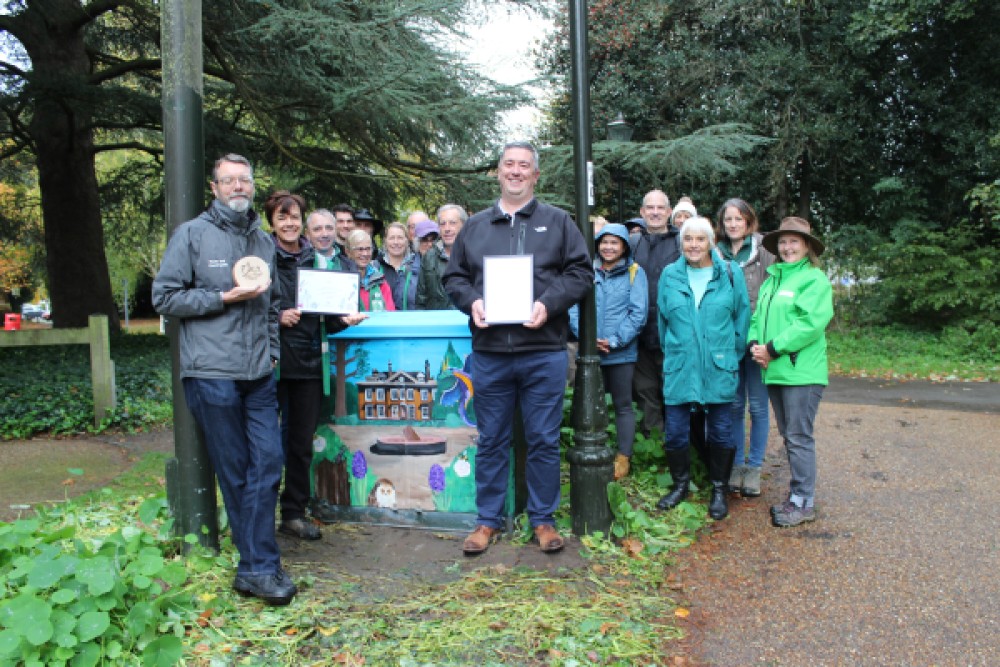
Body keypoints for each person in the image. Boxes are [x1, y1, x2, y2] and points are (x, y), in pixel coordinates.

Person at [152, 154, 295, 605]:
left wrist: (271, 355)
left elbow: (271, 308)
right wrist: (222, 297)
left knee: (269, 464)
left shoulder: (262, 240)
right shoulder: (192, 235)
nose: (238, 187)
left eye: (244, 180)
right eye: (228, 180)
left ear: (253, 186)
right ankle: (258, 568)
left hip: (258, 374)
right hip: (212, 373)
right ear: (213, 188)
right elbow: (165, 297)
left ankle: (255, 566)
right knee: (236, 472)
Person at [443, 141, 593, 555]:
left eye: (523, 165)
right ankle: (487, 521)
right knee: (491, 439)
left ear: (535, 175)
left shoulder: (559, 222)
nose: (515, 171)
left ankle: (543, 519)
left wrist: (549, 304)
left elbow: (580, 273)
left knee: (544, 439)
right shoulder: (474, 227)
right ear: (498, 171)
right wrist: (471, 301)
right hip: (490, 354)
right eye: (509, 164)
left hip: (543, 350)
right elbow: (453, 278)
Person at [268, 191, 367, 543]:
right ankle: (260, 515)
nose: (289, 223)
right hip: (273, 362)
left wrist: (347, 320)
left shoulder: (319, 264)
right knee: (266, 445)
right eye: (283, 218)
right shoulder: (263, 259)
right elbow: (249, 309)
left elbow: (327, 316)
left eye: (294, 217)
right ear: (273, 223)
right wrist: (277, 317)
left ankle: (293, 513)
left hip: (309, 362)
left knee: (300, 444)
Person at [654, 216, 750, 521]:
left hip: (718, 365)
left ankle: (719, 488)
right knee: (676, 434)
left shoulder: (730, 274)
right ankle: (681, 485)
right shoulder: (669, 275)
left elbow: (741, 320)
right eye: (687, 239)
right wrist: (679, 352)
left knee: (721, 432)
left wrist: (727, 356)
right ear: (680, 243)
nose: (693, 245)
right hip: (680, 365)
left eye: (700, 239)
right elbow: (663, 324)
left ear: (710, 242)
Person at [748, 217, 833, 527]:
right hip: (775, 370)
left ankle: (803, 502)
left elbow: (809, 325)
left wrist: (772, 348)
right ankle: (798, 496)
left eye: (794, 241)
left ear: (807, 246)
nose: (787, 247)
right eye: (783, 242)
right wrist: (755, 344)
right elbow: (758, 317)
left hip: (802, 372)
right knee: (789, 436)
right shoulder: (772, 280)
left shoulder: (814, 279)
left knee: (798, 436)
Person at [569, 223, 647, 480]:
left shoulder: (635, 273)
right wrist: (588, 338)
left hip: (621, 353)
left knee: (623, 405)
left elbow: (638, 313)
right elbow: (572, 308)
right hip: (590, 353)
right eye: (604, 242)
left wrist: (614, 341)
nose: (609, 247)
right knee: (588, 403)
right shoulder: (587, 271)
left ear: (624, 246)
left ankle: (622, 458)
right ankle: (591, 451)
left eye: (615, 243)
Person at [714, 198, 776, 497]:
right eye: (728, 219)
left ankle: (754, 467)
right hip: (728, 341)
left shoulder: (765, 250)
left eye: (739, 219)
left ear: (749, 221)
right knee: (735, 406)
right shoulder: (716, 252)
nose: (733, 224)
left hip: (758, 340)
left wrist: (765, 340)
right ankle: (737, 464)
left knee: (759, 407)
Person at [631, 189, 681, 436]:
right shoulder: (632, 244)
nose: (655, 212)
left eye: (660, 208)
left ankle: (677, 445)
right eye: (650, 208)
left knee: (672, 390)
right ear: (642, 212)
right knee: (645, 390)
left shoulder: (682, 243)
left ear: (669, 212)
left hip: (672, 333)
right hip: (639, 333)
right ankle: (654, 444)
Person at [417, 204, 467, 310]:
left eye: (452, 223)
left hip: (467, 322)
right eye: (443, 224)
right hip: (437, 323)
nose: (447, 229)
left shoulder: (474, 254)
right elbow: (421, 299)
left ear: (464, 225)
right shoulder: (428, 257)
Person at [346, 228, 396, 311]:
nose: (365, 254)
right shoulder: (343, 280)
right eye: (360, 249)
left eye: (368, 249)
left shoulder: (380, 281)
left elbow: (390, 313)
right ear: (348, 251)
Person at [379, 222, 420, 310]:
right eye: (391, 238)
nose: (396, 242)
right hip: (383, 321)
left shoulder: (417, 266)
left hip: (411, 320)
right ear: (385, 241)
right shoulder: (375, 267)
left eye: (400, 238)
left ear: (406, 240)